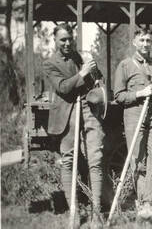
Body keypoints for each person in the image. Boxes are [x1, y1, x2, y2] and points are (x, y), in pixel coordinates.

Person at [43, 23, 105, 228]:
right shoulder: (49, 63)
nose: (68, 43)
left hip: (88, 109)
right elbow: (63, 87)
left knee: (95, 157)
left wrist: (95, 72)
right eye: (63, 40)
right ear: (55, 41)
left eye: (70, 39)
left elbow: (97, 78)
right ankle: (74, 215)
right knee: (68, 161)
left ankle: (96, 213)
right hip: (66, 113)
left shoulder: (80, 57)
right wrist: (83, 73)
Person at [113, 27, 152, 217]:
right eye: (142, 40)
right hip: (134, 114)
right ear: (134, 43)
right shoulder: (125, 65)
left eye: (148, 40)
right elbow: (119, 96)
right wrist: (140, 93)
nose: (146, 44)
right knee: (138, 161)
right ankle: (144, 205)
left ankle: (147, 201)